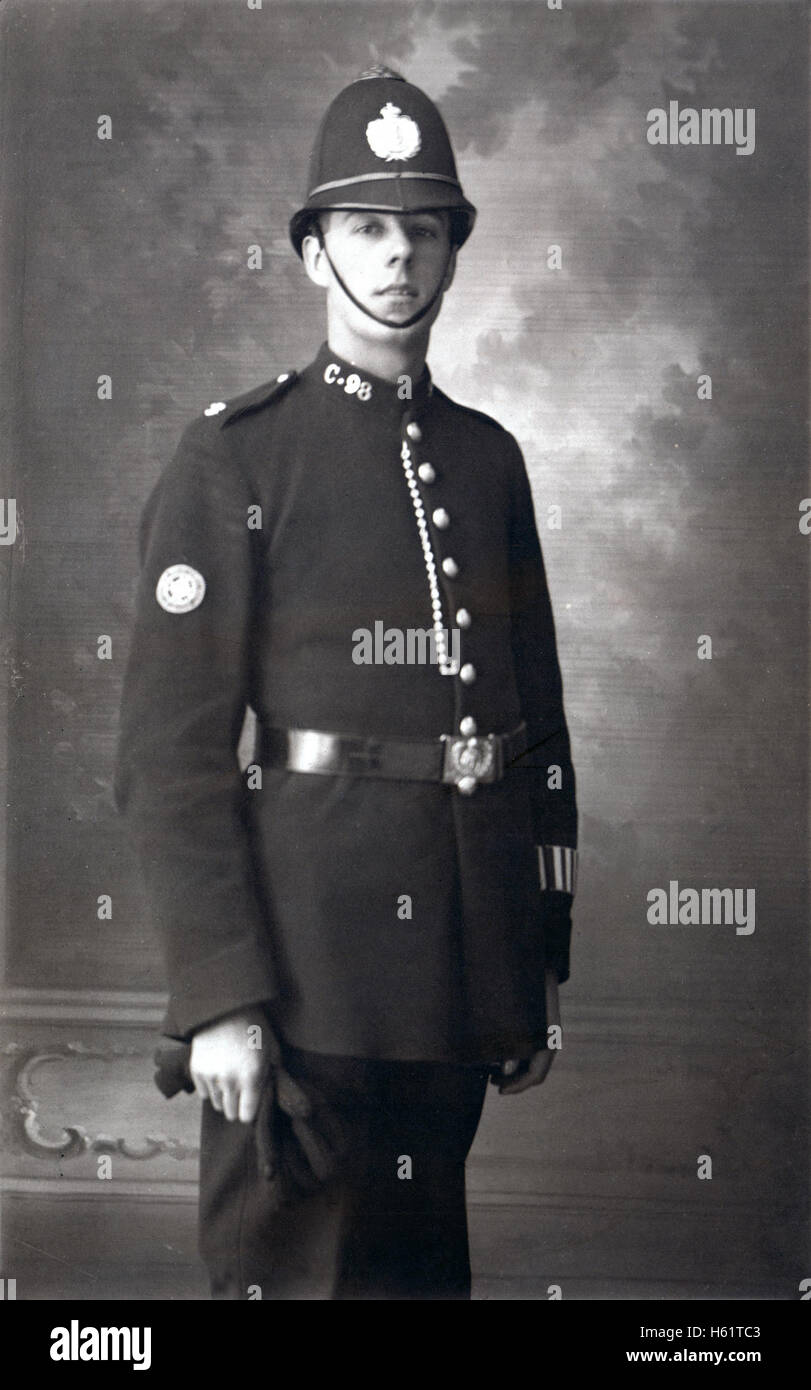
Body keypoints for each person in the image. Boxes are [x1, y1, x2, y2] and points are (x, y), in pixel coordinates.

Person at [114, 65, 578, 1301]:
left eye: (422, 229)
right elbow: (170, 754)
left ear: (453, 253)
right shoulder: (238, 455)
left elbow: (534, 730)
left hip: (455, 983)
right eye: (365, 228)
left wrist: (527, 970)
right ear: (313, 253)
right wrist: (220, 997)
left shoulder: (488, 461)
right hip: (300, 978)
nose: (397, 258)